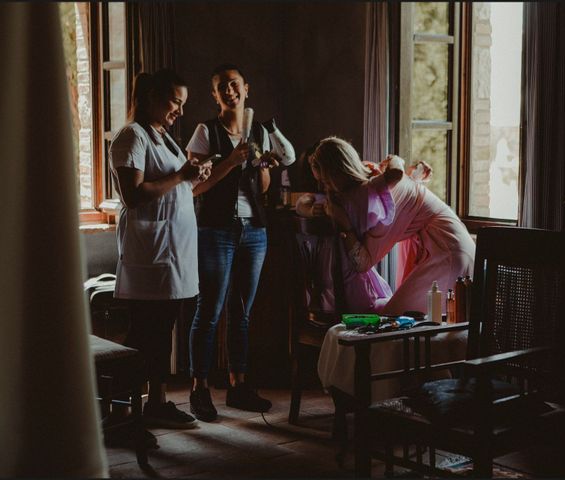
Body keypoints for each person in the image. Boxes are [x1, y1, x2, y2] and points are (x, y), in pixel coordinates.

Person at [109, 69, 211, 429]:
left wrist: (192, 177)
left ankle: (156, 402)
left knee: (161, 332)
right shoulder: (131, 137)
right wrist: (182, 176)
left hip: (173, 254)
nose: (179, 111)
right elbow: (133, 195)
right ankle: (121, 413)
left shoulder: (163, 137)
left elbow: (176, 187)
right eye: (175, 102)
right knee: (143, 336)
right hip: (150, 255)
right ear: (152, 96)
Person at [187, 64, 285, 421]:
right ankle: (200, 388)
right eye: (221, 87)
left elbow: (261, 190)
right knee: (209, 309)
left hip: (254, 231)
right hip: (215, 230)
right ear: (215, 97)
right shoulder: (205, 132)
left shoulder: (259, 131)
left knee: (241, 312)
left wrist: (262, 167)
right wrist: (230, 162)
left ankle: (238, 386)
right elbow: (193, 187)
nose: (229, 91)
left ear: (247, 89)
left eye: (234, 84)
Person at [310, 136, 476, 316]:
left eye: (325, 181)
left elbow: (362, 262)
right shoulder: (375, 179)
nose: (322, 187)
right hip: (448, 244)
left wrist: (345, 226)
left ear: (338, 172)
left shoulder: (372, 192)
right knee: (409, 323)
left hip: (447, 249)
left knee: (394, 322)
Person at [295, 143, 392, 313]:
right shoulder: (357, 197)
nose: (324, 188)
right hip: (346, 291)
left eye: (325, 182)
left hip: (322, 293)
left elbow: (300, 203)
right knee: (388, 305)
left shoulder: (337, 201)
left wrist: (307, 209)